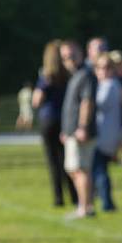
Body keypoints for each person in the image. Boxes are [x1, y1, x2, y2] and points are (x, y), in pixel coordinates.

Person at [33, 41, 77, 207]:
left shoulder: (47, 76)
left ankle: (58, 198)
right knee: (68, 160)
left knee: (53, 162)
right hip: (64, 120)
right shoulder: (69, 75)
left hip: (49, 120)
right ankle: (74, 195)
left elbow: (37, 100)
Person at [60, 41, 97, 218]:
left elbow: (86, 102)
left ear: (81, 54)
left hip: (80, 132)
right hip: (71, 132)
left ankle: (85, 207)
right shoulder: (75, 75)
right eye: (65, 57)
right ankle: (84, 205)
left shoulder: (86, 74)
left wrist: (82, 126)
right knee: (74, 169)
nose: (69, 60)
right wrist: (65, 131)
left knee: (81, 169)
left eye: (72, 56)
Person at [93, 53, 122, 212]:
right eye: (101, 68)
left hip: (104, 133)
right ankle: (105, 200)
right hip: (109, 132)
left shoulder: (108, 85)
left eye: (107, 68)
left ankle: (107, 202)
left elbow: (97, 104)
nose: (104, 71)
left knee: (99, 169)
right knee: (101, 168)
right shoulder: (116, 85)